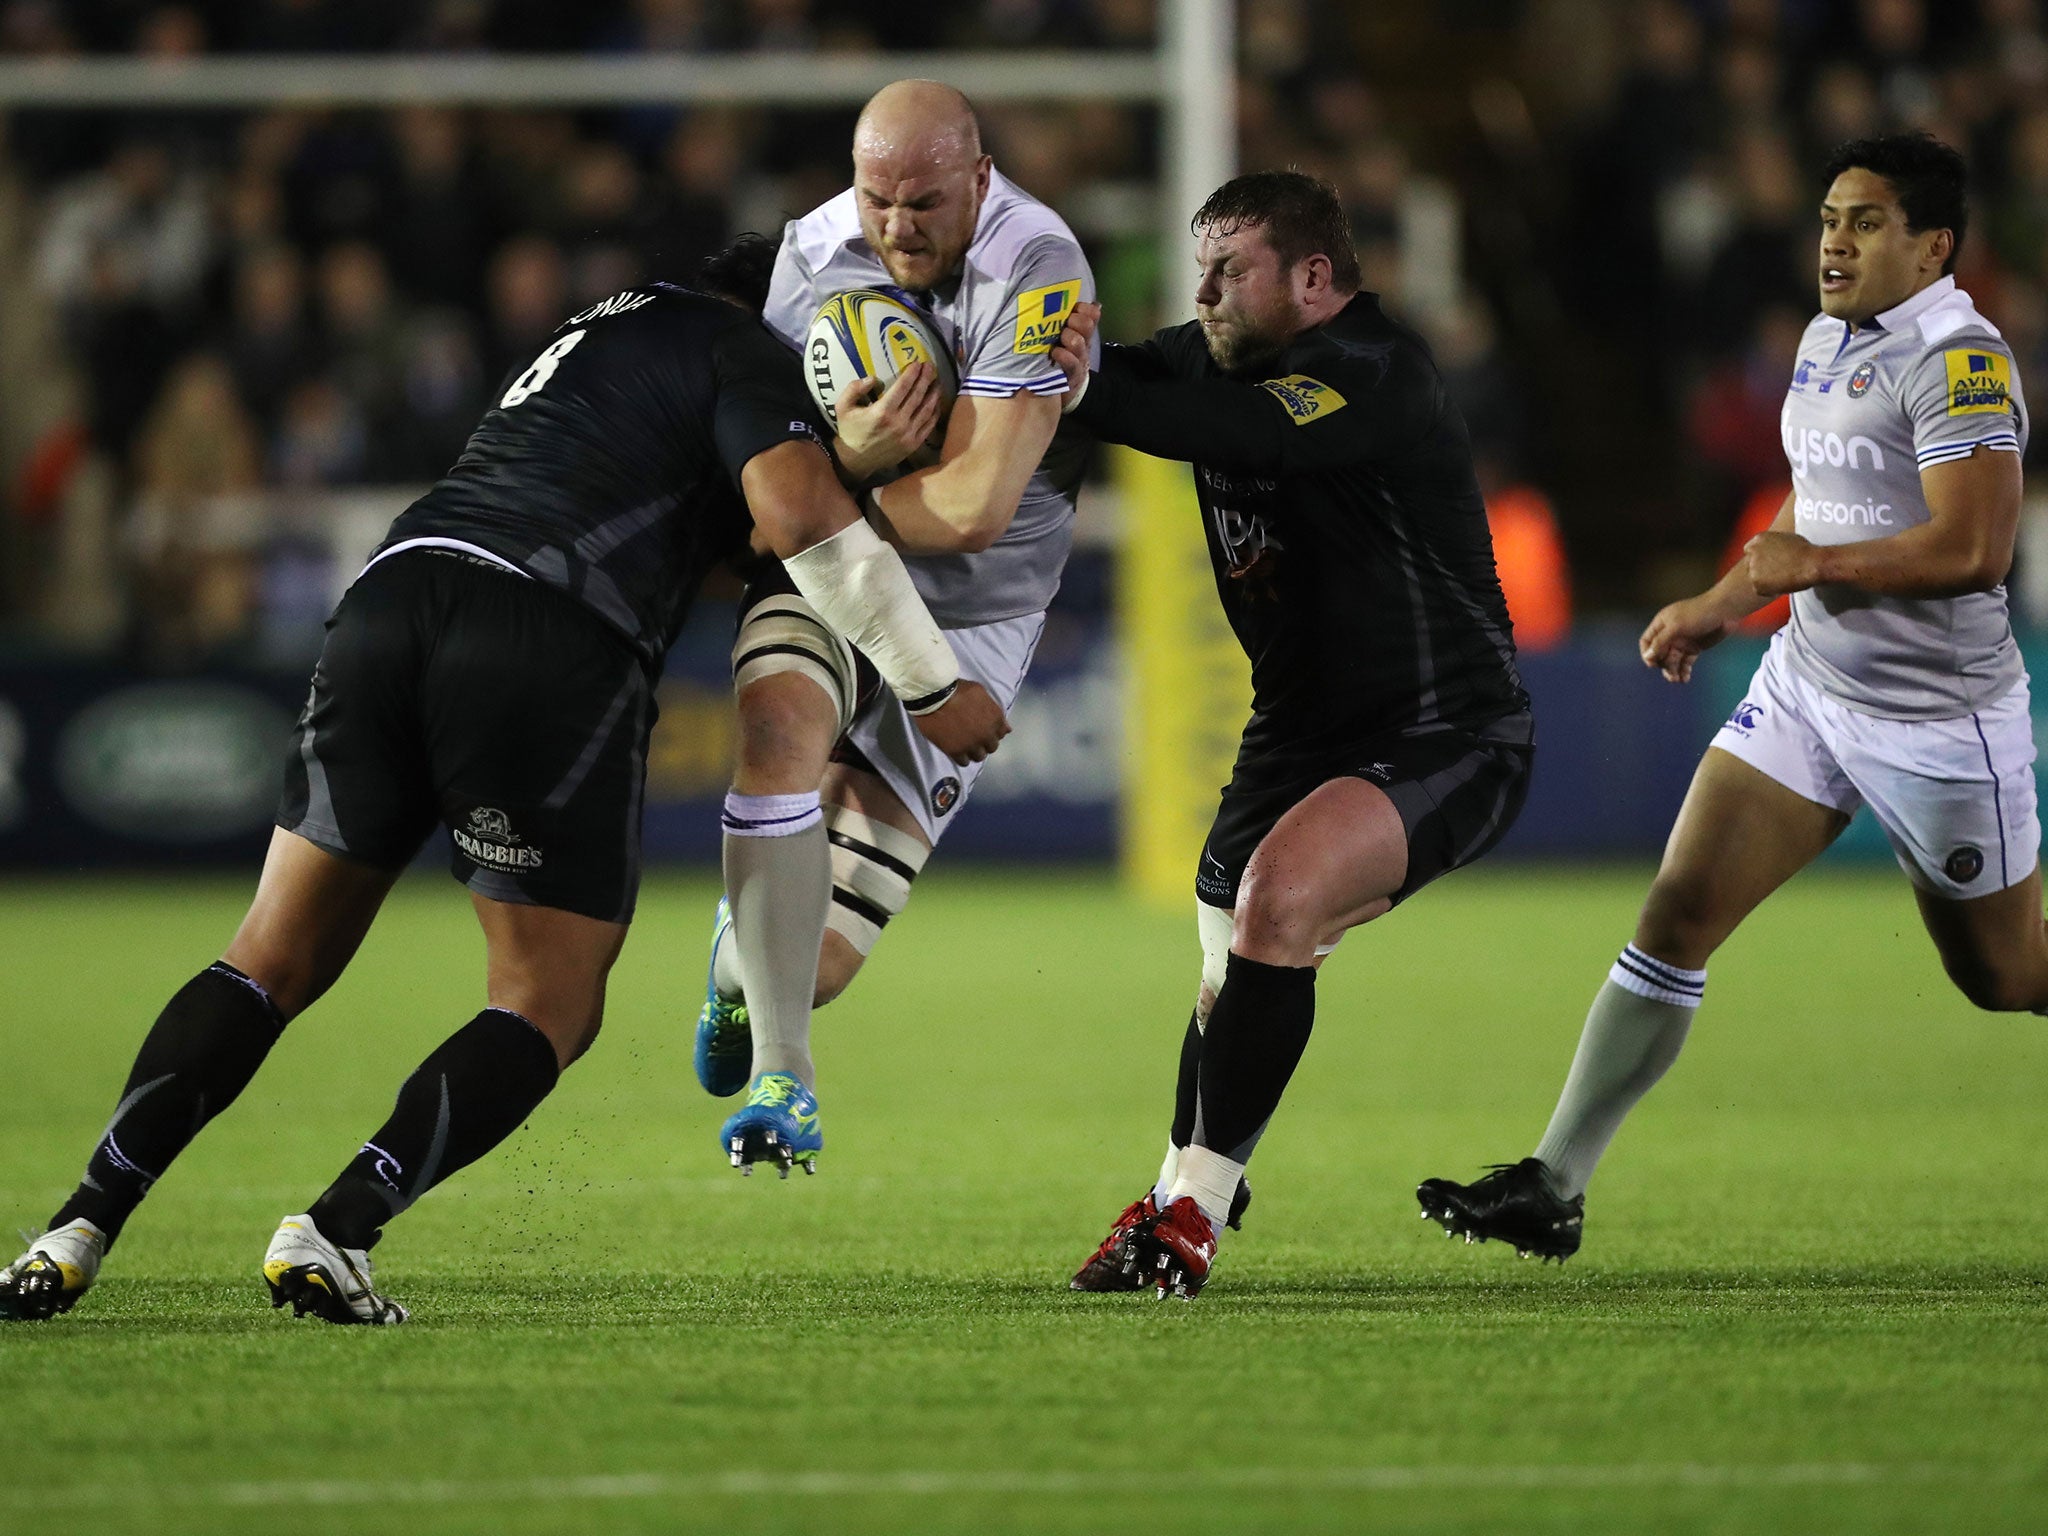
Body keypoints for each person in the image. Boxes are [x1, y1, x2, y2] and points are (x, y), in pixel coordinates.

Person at [0, 236, 1006, 1326]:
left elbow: (708, 529)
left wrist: (835, 463)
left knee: (270, 952)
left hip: (392, 596)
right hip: (544, 635)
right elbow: (800, 523)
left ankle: (76, 1225)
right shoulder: (742, 348)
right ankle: (335, 1226)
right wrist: (926, 683)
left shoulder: (597, 330)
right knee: (548, 999)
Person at [1419, 132, 2040, 1261]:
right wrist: (1719, 601)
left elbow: (1975, 548)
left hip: (1936, 719)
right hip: (1809, 685)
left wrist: (1807, 570)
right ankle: (1551, 1183)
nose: (1832, 243)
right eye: (1825, 220)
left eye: (1862, 222)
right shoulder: (1820, 339)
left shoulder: (1960, 359)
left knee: (2005, 977)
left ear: (1931, 245)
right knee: (1674, 916)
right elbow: (1810, 517)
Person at [1051, 171, 1535, 1298]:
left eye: (1230, 270)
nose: (1203, 291)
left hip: (1447, 729)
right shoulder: (1212, 357)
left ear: (1312, 278)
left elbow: (1219, 428)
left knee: (1275, 901)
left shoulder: (1375, 373)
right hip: (1296, 732)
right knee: (1229, 956)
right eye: (1200, 267)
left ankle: (1186, 1220)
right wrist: (1016, 339)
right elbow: (1123, 377)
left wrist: (1078, 389)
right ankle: (1185, 1186)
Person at [693, 79, 1096, 1174]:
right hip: (834, 574)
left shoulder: (1038, 263)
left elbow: (972, 513)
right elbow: (771, 473)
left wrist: (830, 493)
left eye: (923, 202)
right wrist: (825, 503)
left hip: (981, 614)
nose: (895, 226)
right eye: (877, 199)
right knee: (777, 735)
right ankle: (787, 1076)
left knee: (812, 962)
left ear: (978, 178)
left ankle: (738, 973)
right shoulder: (810, 258)